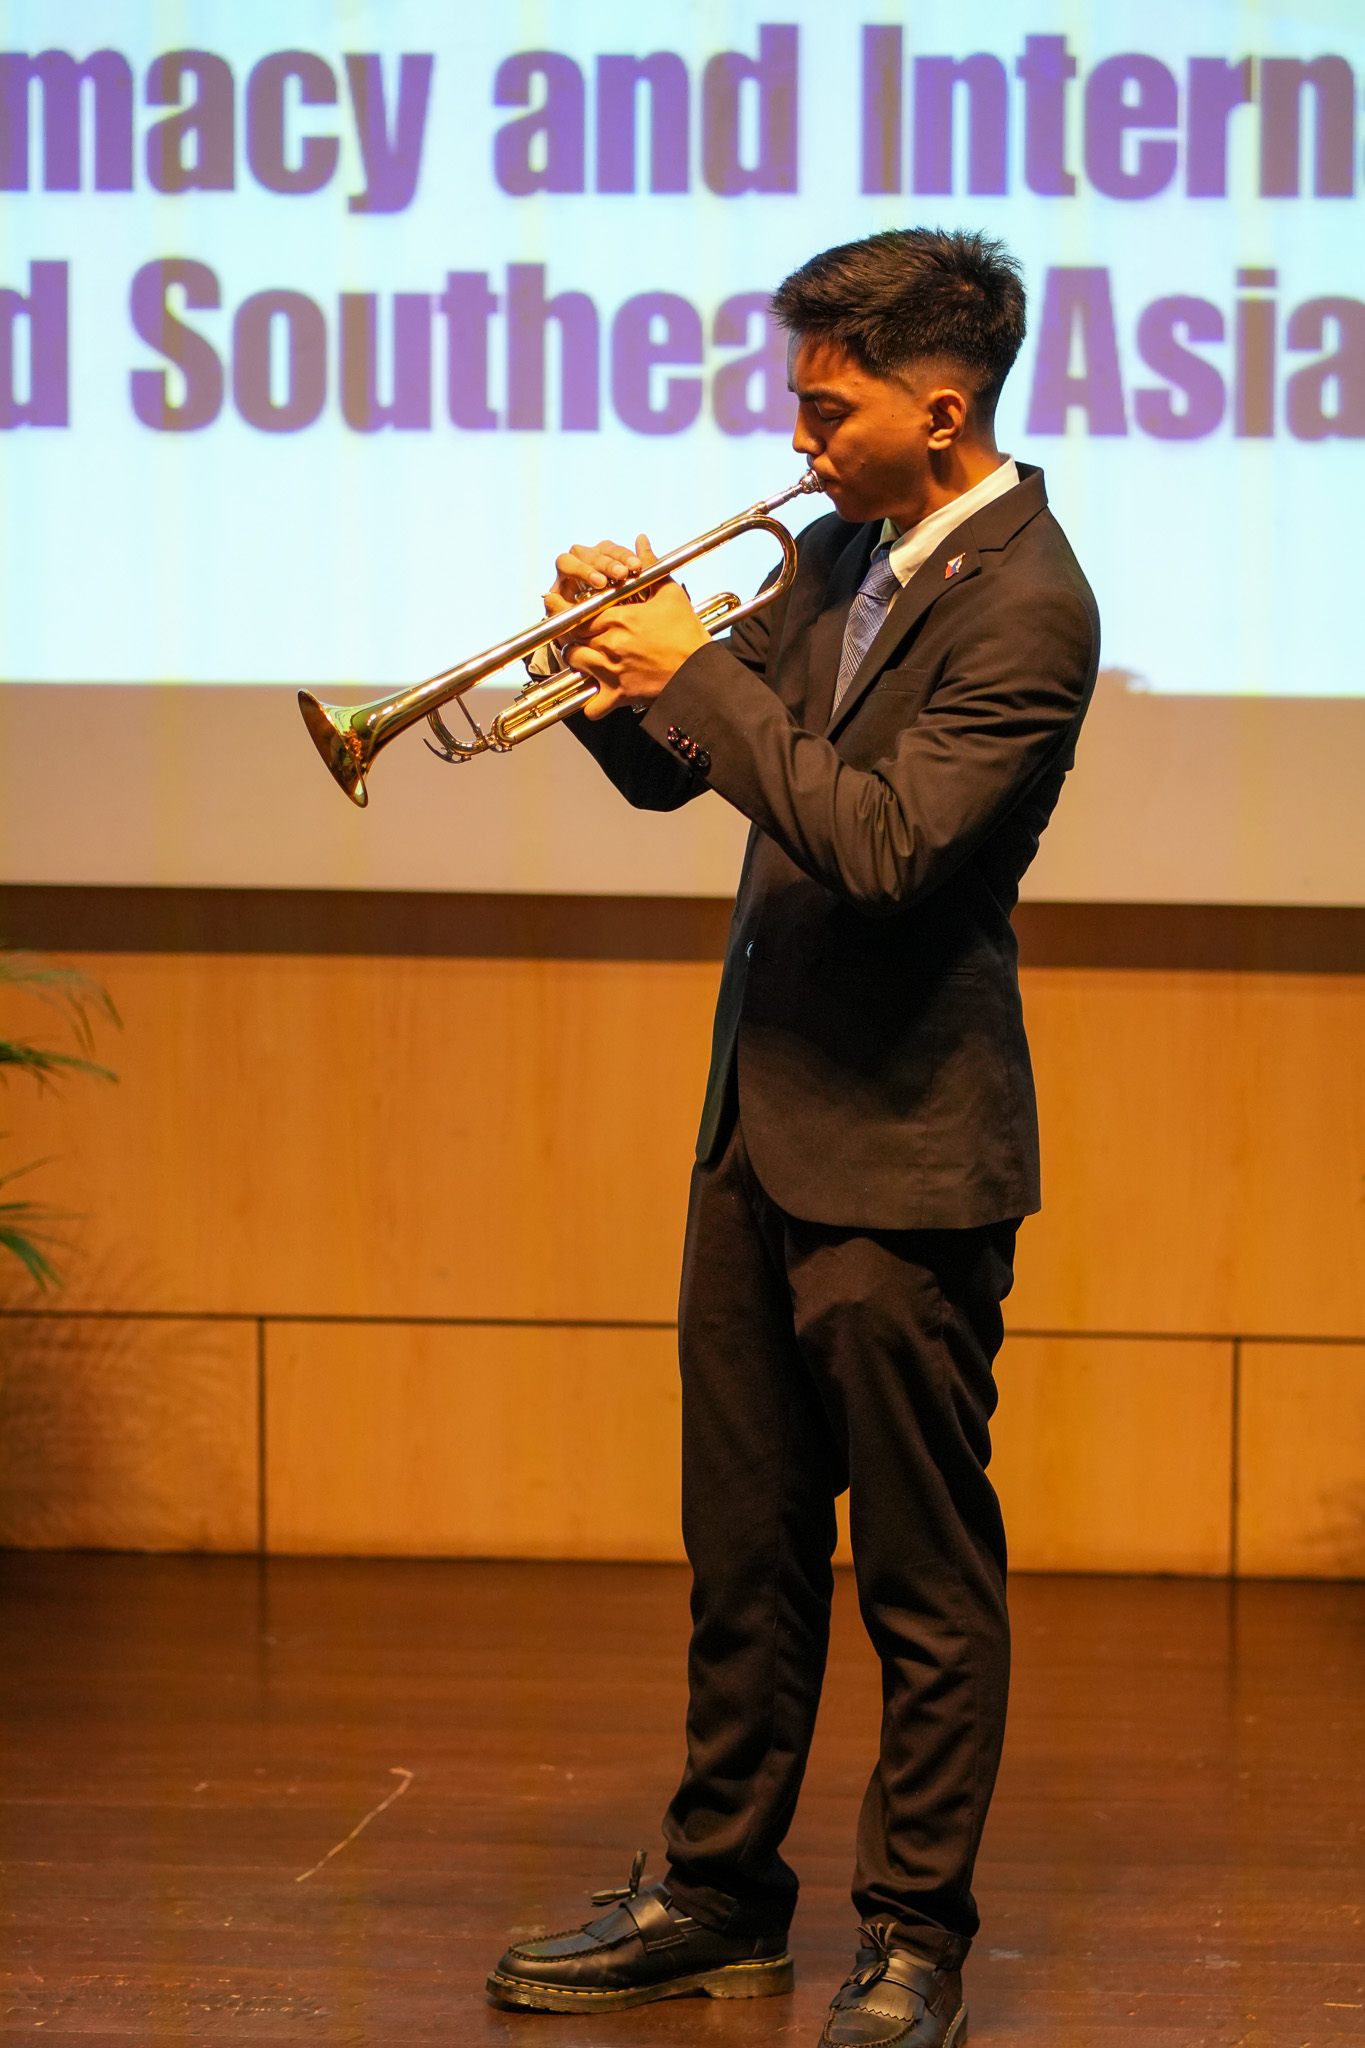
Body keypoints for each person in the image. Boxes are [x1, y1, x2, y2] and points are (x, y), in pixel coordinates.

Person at [486, 227, 1100, 2048]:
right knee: (741, 1546)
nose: (794, 428)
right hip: (757, 1132)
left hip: (908, 1154)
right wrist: (617, 668)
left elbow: (888, 846)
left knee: (920, 1573)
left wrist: (700, 671)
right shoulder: (839, 548)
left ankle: (914, 1934)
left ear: (943, 402)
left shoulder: (1031, 603)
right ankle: (718, 1893)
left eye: (825, 403)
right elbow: (693, 763)